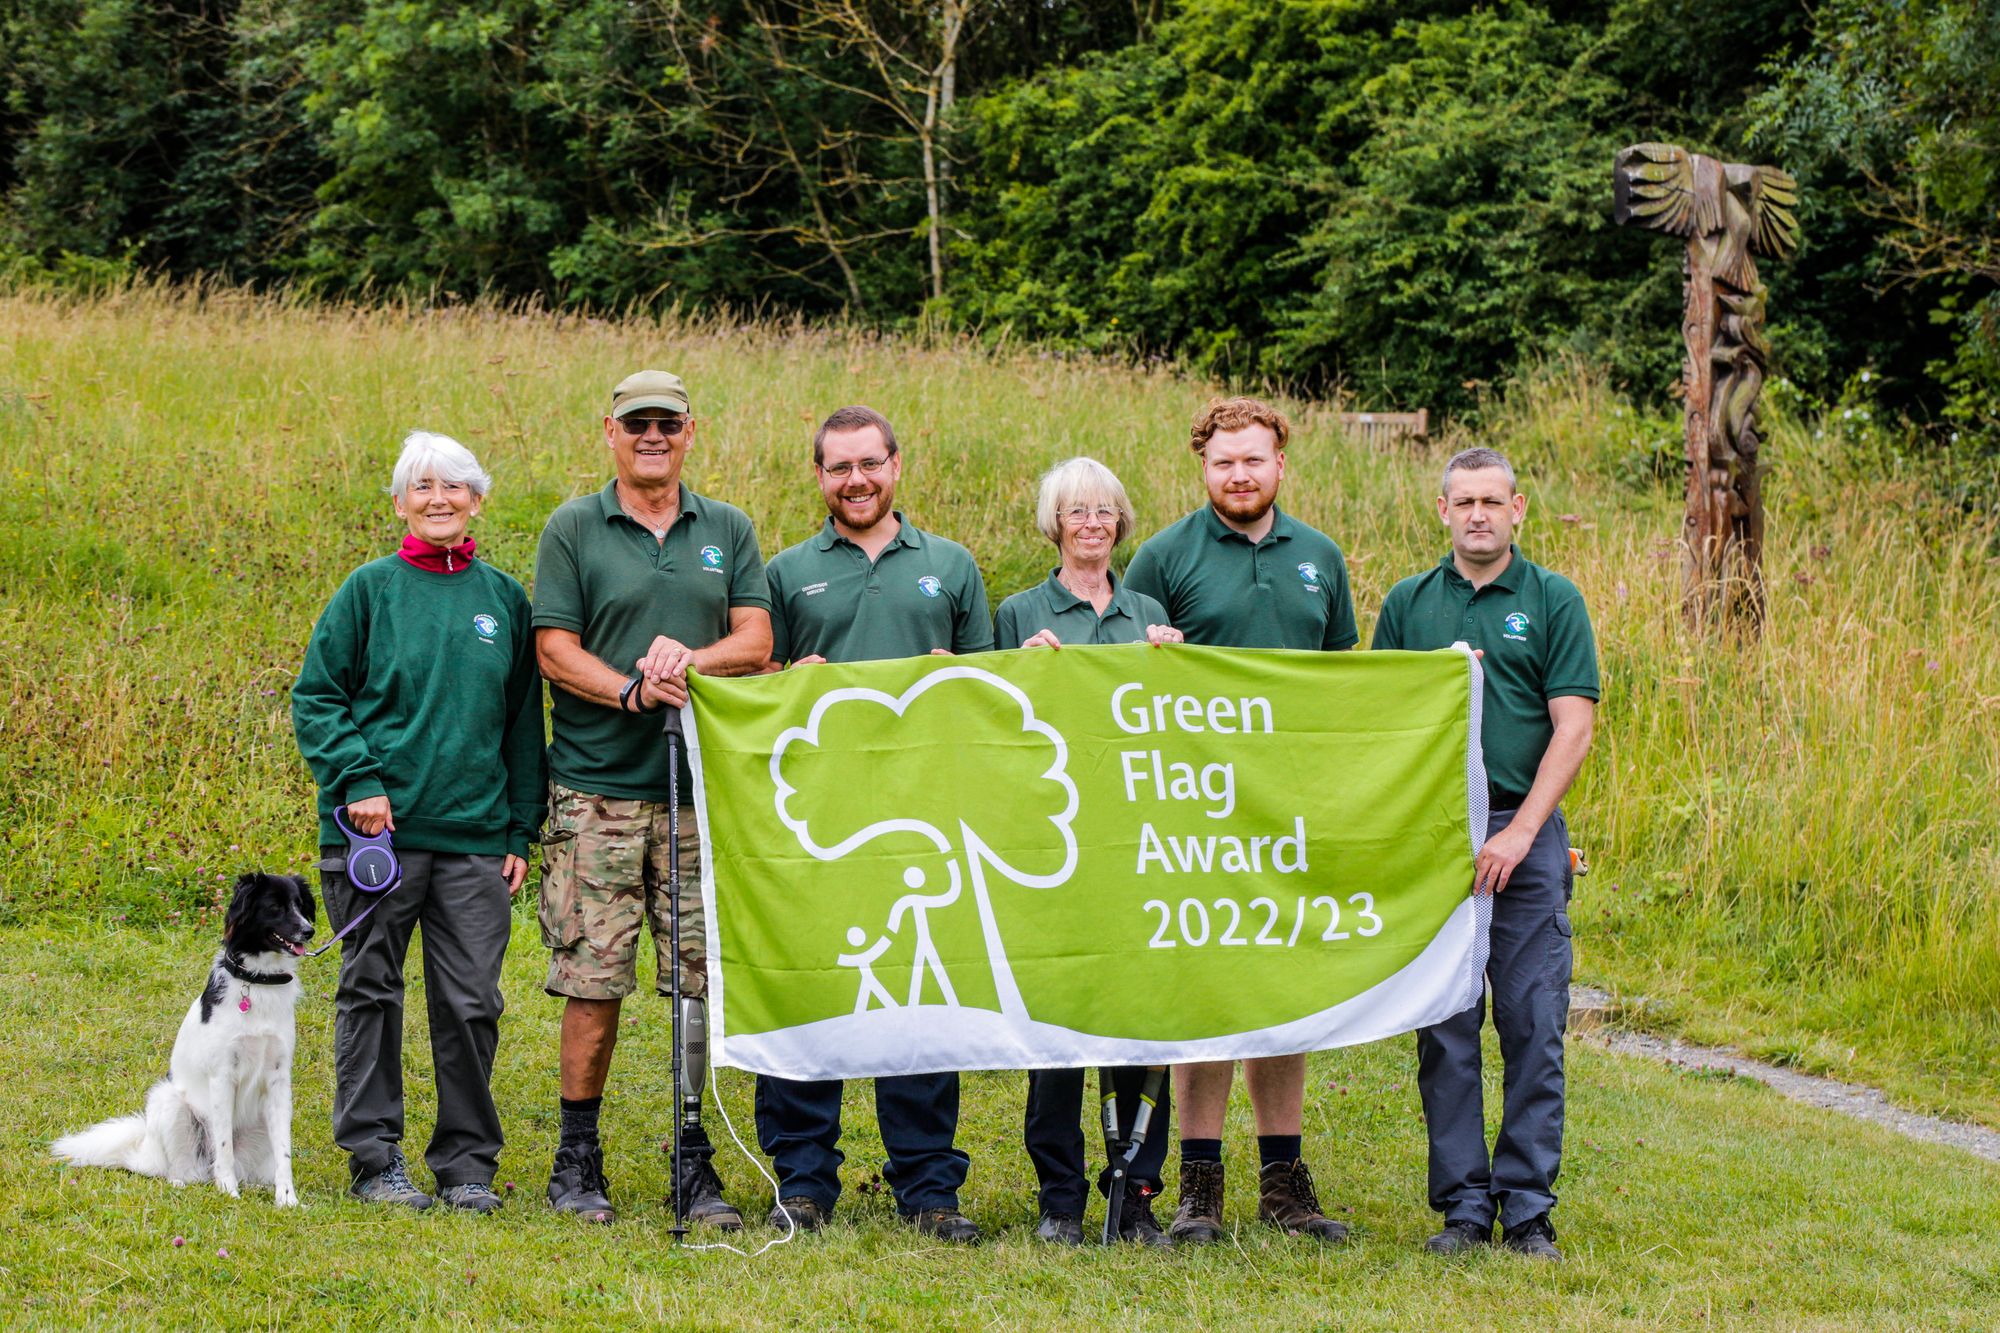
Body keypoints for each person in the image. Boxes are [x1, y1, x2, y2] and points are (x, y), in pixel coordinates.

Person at [531, 370, 774, 1226]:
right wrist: (631, 692)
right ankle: (576, 1156)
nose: (652, 436)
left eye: (667, 422)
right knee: (594, 981)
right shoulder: (573, 527)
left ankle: (692, 1153)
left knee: (696, 981)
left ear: (689, 429)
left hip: (699, 794)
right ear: (610, 431)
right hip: (598, 790)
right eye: (637, 423)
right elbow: (556, 649)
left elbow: (756, 636)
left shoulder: (728, 528)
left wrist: (685, 663)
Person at [1123, 395, 1357, 1245]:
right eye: (1224, 462)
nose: (1240, 474)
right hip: (1198, 807)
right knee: (1208, 989)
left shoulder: (1321, 558)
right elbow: (1125, 679)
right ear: (1203, 468)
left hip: (1291, 805)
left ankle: (1285, 1183)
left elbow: (1342, 690)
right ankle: (1199, 1183)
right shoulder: (1164, 555)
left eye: (1254, 459)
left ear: (1281, 464)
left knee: (1284, 988)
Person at [756, 404, 992, 1243]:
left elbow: (990, 698)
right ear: (818, 476)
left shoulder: (953, 566)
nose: (855, 480)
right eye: (838, 467)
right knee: (815, 985)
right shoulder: (785, 572)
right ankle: (804, 1178)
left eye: (870, 463)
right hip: (820, 820)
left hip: (925, 818)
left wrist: (955, 677)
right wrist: (790, 678)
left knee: (922, 993)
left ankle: (929, 1185)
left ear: (898, 463)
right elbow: (756, 692)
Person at [292, 430, 545, 1213]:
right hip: (376, 843)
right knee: (371, 990)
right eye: (423, 486)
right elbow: (317, 696)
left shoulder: (504, 602)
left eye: (456, 486)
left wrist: (518, 832)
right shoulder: (368, 591)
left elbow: (520, 726)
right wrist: (357, 779)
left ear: (477, 500)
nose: (440, 498)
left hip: (475, 842)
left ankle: (468, 1163)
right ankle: (375, 1159)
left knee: (471, 1001)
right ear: (400, 502)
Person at [1371, 446, 1597, 1262]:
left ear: (1518, 508)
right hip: (1439, 843)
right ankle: (1464, 1204)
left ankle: (1529, 1207)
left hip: (1523, 832)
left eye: (1491, 501)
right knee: (1447, 1026)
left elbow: (1573, 725)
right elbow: (1381, 725)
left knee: (1533, 1022)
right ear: (1442, 510)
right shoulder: (1407, 605)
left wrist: (1520, 831)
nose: (1477, 514)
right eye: (1462, 501)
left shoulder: (1551, 599)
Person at [992, 456, 1183, 1247]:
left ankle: (1134, 1185)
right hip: (1057, 845)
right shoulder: (1017, 612)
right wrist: (1023, 671)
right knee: (1060, 1021)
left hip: (1135, 842)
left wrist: (1178, 662)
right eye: (1078, 511)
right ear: (1055, 522)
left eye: (1106, 510)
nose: (1094, 523)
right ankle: (1060, 1193)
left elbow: (1177, 729)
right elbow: (994, 721)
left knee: (1140, 1018)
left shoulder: (1147, 610)